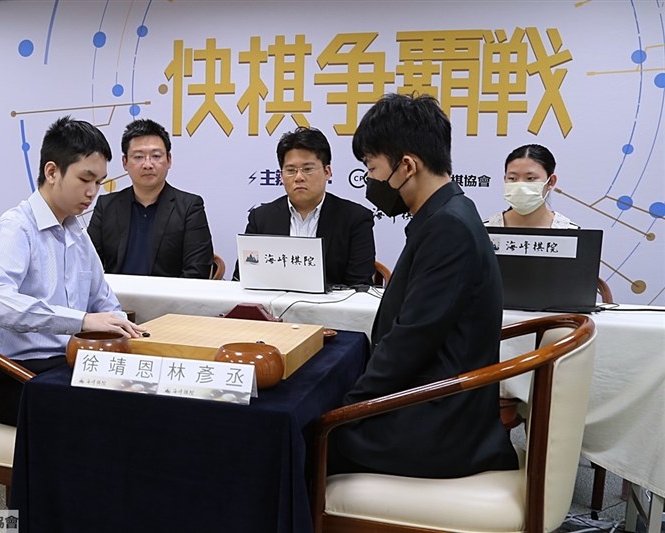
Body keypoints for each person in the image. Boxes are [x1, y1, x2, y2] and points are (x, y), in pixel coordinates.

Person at [328, 94, 518, 478]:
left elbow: (410, 341)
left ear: (407, 165)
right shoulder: (448, 214)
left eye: (372, 166)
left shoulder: (447, 227)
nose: (369, 180)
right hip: (435, 402)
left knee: (303, 433)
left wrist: (346, 409)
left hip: (437, 423)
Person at [0, 116, 145, 426]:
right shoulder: (16, 229)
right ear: (52, 172)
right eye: (85, 179)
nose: (94, 191)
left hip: (67, 364)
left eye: (100, 182)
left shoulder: (78, 234)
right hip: (12, 373)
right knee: (100, 413)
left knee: (150, 394)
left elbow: (103, 302)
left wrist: (122, 328)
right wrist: (79, 321)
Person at [233, 126, 375, 286]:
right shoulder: (261, 218)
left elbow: (359, 285)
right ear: (281, 175)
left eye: (307, 169)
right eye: (291, 170)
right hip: (272, 309)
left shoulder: (355, 218)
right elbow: (243, 278)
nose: (299, 177)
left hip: (330, 309)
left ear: (327, 172)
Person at [88, 119, 214, 278]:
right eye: (138, 157)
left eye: (156, 156)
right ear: (125, 162)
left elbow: (197, 271)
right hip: (115, 299)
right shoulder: (106, 206)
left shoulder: (190, 207)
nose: (147, 164)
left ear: (169, 160)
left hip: (169, 301)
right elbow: (88, 265)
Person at [484, 144, 578, 228]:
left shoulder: (571, 233)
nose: (520, 186)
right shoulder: (485, 230)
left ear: (551, 182)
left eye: (530, 178)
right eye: (512, 178)